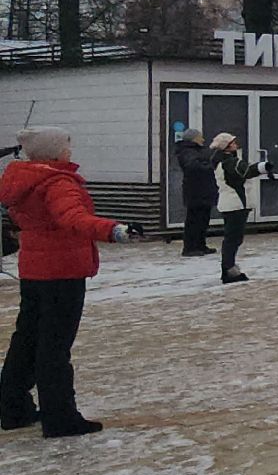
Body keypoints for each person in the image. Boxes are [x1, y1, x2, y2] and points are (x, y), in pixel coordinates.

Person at [0, 127, 142, 438]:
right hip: (62, 271)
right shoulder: (56, 181)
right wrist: (114, 230)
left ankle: (12, 407)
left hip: (34, 269)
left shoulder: (21, 179)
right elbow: (73, 219)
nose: (70, 151)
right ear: (53, 152)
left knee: (27, 339)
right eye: (66, 146)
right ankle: (60, 418)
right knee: (54, 346)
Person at [212, 133, 268, 284]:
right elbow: (246, 171)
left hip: (229, 203)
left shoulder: (219, 160)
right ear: (227, 146)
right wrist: (263, 167)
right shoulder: (230, 162)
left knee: (232, 238)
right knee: (233, 239)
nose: (236, 144)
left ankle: (228, 269)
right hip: (236, 204)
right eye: (233, 142)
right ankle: (229, 270)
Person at [174, 129, 218, 257]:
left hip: (203, 190)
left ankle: (200, 245)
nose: (203, 139)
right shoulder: (187, 151)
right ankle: (190, 248)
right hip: (195, 191)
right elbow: (193, 167)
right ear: (193, 139)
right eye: (200, 137)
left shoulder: (196, 151)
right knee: (194, 220)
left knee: (203, 220)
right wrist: (209, 166)